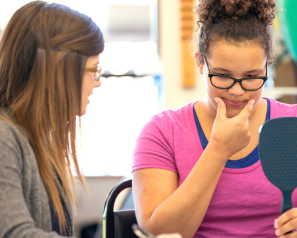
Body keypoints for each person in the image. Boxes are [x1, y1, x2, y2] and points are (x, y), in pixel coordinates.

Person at [132, 0, 297, 237]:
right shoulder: (162, 132)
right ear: (200, 62)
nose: (237, 91)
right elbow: (159, 231)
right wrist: (218, 150)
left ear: (268, 64)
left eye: (252, 76)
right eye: (222, 75)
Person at [0, 2, 181, 238]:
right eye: (93, 70)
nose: (98, 82)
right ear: (59, 70)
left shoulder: (38, 144)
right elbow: (14, 233)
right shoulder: (5, 138)